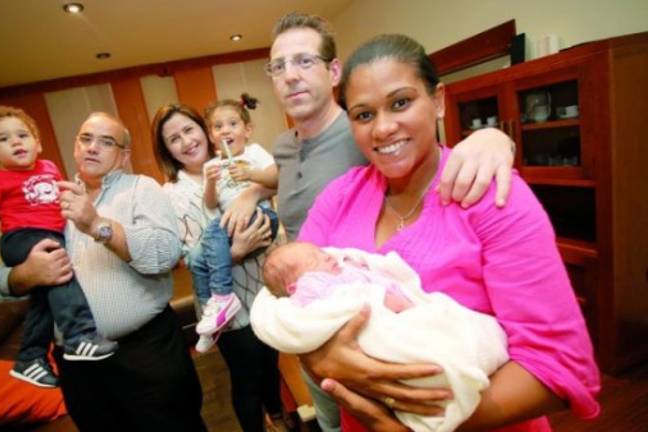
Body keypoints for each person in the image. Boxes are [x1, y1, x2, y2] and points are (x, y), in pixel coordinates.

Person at [296, 33, 600, 431]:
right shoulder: (338, 199)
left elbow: (561, 365)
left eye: (401, 102)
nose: (383, 128)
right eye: (364, 115)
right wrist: (319, 360)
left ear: (438, 100)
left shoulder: (490, 194)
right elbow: (292, 306)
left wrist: (419, 423)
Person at [266, 12, 517, 431]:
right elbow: (285, 186)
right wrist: (253, 191)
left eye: (304, 61)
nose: (290, 76)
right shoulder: (284, 147)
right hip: (316, 314)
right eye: (278, 65)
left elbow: (425, 148)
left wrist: (494, 138)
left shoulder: (366, 134)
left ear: (333, 72)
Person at [0, 112, 206, 431]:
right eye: (86, 139)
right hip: (79, 365)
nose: (92, 148)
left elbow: (163, 255)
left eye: (106, 142)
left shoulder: (141, 189)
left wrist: (96, 224)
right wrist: (25, 275)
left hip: (146, 352)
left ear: (123, 155)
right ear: (75, 146)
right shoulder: (46, 198)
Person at [251, 242, 510, 432]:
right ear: (295, 287)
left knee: (450, 322)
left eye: (321, 252)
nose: (328, 256)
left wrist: (361, 265)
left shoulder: (338, 268)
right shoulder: (312, 288)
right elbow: (322, 309)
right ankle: (455, 372)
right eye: (315, 259)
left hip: (505, 414)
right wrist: (378, 299)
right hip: (385, 327)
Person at [153, 103, 287, 432]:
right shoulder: (170, 194)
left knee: (272, 365)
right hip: (225, 306)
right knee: (247, 378)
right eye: (173, 139)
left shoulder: (238, 162)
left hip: (265, 288)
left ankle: (281, 418)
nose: (185, 141)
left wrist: (253, 193)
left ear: (205, 131)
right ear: (166, 150)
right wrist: (236, 252)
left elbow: (277, 183)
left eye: (189, 130)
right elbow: (191, 256)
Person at [0, 106, 117, 388]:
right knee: (59, 270)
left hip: (52, 234)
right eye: (3, 139)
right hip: (22, 237)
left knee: (45, 298)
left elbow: (58, 202)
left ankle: (30, 358)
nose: (15, 142)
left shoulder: (49, 167)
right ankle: (78, 336)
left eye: (22, 135)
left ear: (37, 143)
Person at [190, 94, 280, 351]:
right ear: (211, 136)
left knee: (212, 232)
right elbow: (210, 204)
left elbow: (276, 177)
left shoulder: (254, 153)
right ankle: (213, 314)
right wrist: (209, 182)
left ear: (247, 130)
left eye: (232, 124)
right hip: (230, 226)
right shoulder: (212, 165)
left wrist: (251, 173)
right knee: (197, 257)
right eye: (218, 127)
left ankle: (222, 296)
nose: (225, 130)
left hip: (261, 219)